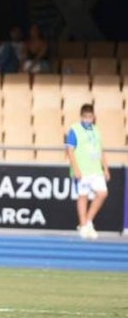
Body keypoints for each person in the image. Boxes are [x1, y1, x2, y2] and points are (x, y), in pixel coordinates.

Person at [65, 103, 110, 240]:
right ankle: (84, 226)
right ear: (81, 117)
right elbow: (70, 150)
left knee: (102, 193)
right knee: (83, 196)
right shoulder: (74, 130)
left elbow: (100, 150)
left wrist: (105, 168)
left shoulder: (96, 130)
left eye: (90, 117)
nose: (88, 119)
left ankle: (87, 221)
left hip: (95, 169)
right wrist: (76, 169)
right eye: (85, 117)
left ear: (93, 117)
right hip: (82, 169)